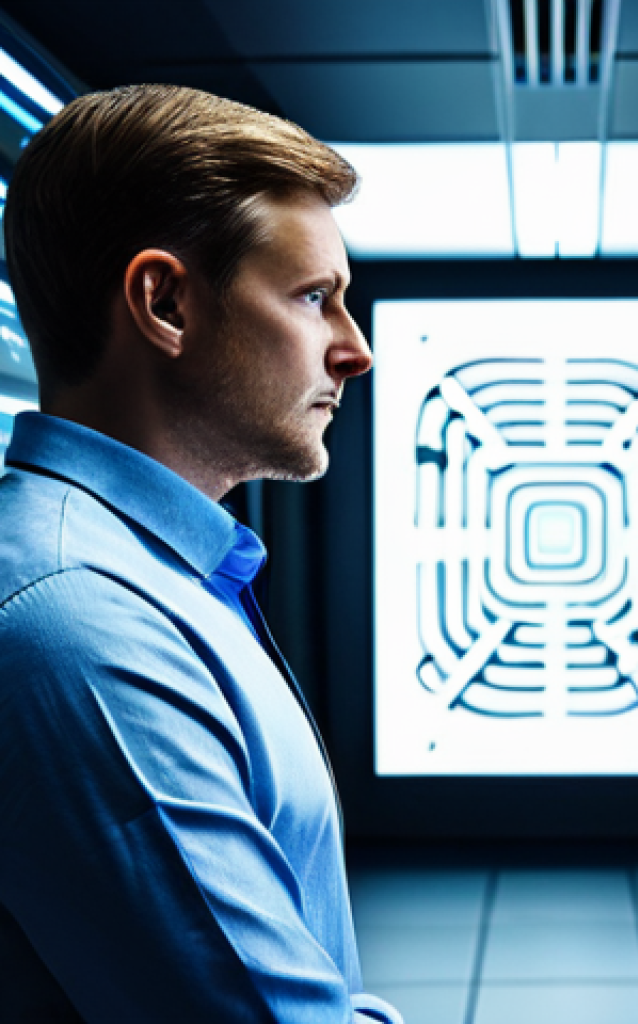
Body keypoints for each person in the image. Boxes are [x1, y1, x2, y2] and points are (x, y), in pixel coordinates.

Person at [0, 84, 401, 1023]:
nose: (356, 350)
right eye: (316, 299)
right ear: (167, 303)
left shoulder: (152, 580)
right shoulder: (80, 626)